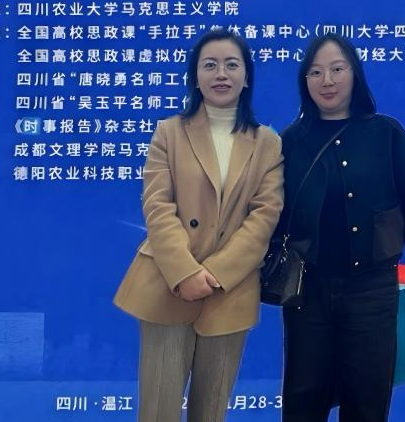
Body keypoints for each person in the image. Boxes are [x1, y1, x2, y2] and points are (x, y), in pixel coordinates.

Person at [114, 28, 285, 422]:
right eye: (210, 65)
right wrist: (186, 272)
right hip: (168, 284)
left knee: (211, 413)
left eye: (231, 65)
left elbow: (265, 215)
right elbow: (157, 206)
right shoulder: (169, 132)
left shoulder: (267, 143)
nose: (221, 73)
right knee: (158, 412)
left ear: (246, 76)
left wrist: (217, 273)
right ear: (195, 76)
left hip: (230, 291)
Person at [278, 33, 405, 422]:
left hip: (372, 290)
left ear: (355, 74)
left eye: (337, 69)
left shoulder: (385, 132)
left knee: (367, 401)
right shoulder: (291, 141)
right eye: (315, 72)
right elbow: (275, 210)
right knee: (303, 399)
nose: (326, 80)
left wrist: (386, 242)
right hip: (308, 292)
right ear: (304, 81)